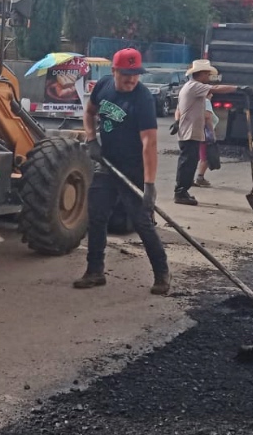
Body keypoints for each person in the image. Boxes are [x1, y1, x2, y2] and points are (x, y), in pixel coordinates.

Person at [77, 48, 170, 295]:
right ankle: (95, 271)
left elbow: (149, 144)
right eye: (126, 74)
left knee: (142, 222)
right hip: (107, 164)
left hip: (133, 169)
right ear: (114, 71)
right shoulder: (104, 87)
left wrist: (149, 185)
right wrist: (91, 139)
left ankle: (162, 274)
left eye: (136, 74)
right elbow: (89, 111)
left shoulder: (143, 99)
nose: (131, 79)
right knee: (96, 217)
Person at [173, 60, 244, 205]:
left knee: (189, 163)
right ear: (201, 74)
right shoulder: (194, 86)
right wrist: (238, 88)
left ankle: (182, 191)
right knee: (187, 163)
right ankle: (180, 193)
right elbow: (216, 88)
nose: (208, 77)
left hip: (190, 130)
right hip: (190, 132)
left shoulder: (190, 87)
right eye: (207, 74)